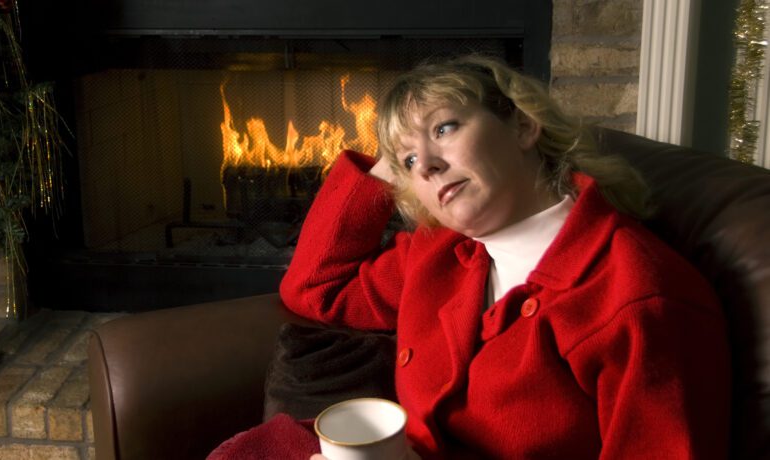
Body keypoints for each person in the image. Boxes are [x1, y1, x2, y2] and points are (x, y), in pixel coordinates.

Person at [211, 55, 731, 459]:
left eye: (445, 128)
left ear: (525, 126)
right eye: (410, 160)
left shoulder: (641, 299)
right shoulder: (441, 252)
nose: (429, 166)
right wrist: (383, 170)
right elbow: (314, 288)